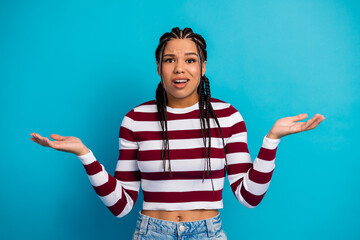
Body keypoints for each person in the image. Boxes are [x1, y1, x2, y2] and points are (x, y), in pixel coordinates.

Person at [30, 27, 325, 239]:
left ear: (203, 66)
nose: (179, 69)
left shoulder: (227, 116)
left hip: (208, 233)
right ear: (159, 67)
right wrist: (85, 155)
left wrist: (271, 141)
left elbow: (248, 196)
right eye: (170, 59)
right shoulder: (135, 120)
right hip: (150, 233)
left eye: (190, 59)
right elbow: (121, 206)